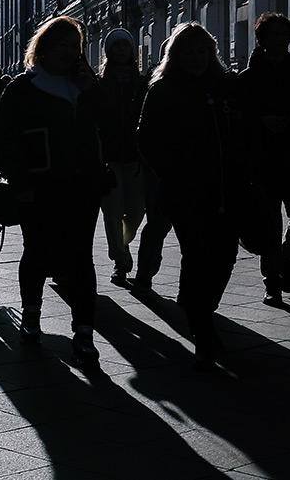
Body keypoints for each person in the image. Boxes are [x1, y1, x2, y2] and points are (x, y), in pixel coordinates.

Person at [0, 17, 106, 365]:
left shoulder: (85, 88)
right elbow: (6, 140)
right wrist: (20, 182)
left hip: (82, 186)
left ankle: (84, 331)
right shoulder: (23, 88)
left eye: (74, 46)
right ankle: (31, 315)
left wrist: (94, 92)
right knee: (37, 252)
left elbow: (110, 126)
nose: (69, 53)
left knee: (81, 257)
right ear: (43, 49)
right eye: (61, 45)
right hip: (39, 186)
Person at [137, 23, 244, 368]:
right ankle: (202, 329)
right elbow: (148, 139)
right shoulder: (164, 90)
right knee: (197, 255)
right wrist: (172, 173)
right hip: (185, 191)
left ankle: (198, 307)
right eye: (189, 52)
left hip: (228, 188)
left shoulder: (228, 87)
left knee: (225, 256)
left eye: (203, 51)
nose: (197, 58)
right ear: (176, 55)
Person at [239, 13, 290, 306]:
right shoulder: (246, 80)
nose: (279, 41)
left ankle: (285, 257)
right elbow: (238, 121)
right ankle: (272, 283)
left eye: (283, 36)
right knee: (269, 226)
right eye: (272, 35)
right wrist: (263, 122)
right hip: (262, 164)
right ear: (261, 39)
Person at [95, 29, 148, 287]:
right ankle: (119, 260)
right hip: (109, 157)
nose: (121, 51)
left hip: (136, 155)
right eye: (116, 47)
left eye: (125, 47)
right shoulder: (100, 83)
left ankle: (123, 246)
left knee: (136, 210)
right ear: (109, 52)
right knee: (113, 212)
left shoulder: (142, 83)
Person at [131, 39, 173, 294]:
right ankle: (144, 275)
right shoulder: (156, 87)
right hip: (162, 171)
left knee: (161, 225)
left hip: (195, 172)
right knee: (158, 223)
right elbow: (144, 133)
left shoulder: (209, 86)